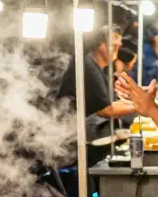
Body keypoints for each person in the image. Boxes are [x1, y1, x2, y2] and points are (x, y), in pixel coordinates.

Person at [56, 25, 137, 165]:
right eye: (115, 45)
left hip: (83, 133)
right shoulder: (89, 67)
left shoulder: (98, 68)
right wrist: (142, 106)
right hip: (70, 136)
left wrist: (140, 101)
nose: (118, 49)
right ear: (102, 46)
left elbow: (113, 102)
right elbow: (107, 109)